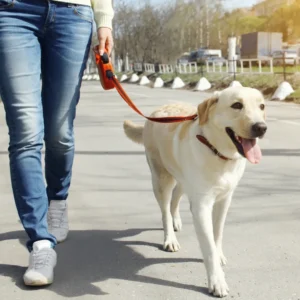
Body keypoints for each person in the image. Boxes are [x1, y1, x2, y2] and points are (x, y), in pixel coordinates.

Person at [0, 0, 114, 286]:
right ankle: (40, 243)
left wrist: (104, 20)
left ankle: (57, 200)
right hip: (12, 11)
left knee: (59, 132)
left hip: (72, 13)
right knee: (26, 132)